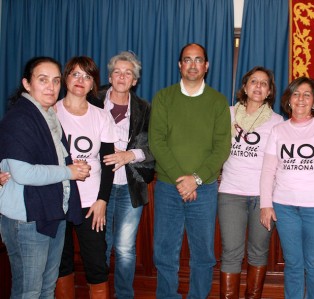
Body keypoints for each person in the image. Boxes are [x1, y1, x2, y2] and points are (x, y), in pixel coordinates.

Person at [0, 56, 90, 298]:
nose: (51, 87)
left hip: (52, 213)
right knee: (29, 292)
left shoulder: (49, 116)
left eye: (56, 80)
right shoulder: (20, 118)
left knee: (47, 288)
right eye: (43, 80)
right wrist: (69, 171)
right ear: (27, 84)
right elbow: (23, 173)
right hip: (28, 219)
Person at [149, 43, 231, 298]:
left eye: (198, 60)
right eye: (187, 59)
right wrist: (181, 180)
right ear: (179, 65)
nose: (193, 64)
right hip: (167, 187)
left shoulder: (218, 101)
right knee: (164, 252)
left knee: (204, 255)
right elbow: (157, 141)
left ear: (206, 66)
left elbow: (222, 148)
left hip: (204, 189)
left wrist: (194, 179)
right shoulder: (163, 97)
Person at [260, 77, 314, 298]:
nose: (301, 99)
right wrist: (265, 205)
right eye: (296, 94)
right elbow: (268, 170)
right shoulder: (279, 130)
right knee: (293, 263)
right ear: (288, 100)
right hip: (284, 207)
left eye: (307, 94)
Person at [91, 51, 155, 299]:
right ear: (109, 76)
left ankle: (124, 295)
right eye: (117, 71)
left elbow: (155, 148)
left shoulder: (145, 108)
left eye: (128, 73)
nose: (122, 76)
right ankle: (101, 294)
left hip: (130, 188)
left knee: (126, 249)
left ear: (135, 80)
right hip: (97, 188)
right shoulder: (91, 100)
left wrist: (129, 155)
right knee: (101, 247)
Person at [218, 66, 283, 298]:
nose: (258, 86)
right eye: (253, 81)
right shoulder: (227, 114)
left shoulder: (277, 121)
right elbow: (215, 148)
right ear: (244, 87)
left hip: (263, 198)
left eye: (263, 83)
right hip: (230, 193)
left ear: (269, 92)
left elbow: (279, 163)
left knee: (258, 252)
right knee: (231, 252)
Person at [55, 56, 117, 299]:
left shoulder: (101, 116)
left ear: (93, 84)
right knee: (61, 262)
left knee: (96, 264)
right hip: (56, 199)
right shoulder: (51, 111)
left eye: (87, 76)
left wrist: (102, 201)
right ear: (65, 79)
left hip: (91, 204)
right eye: (75, 74)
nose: (81, 80)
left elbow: (108, 163)